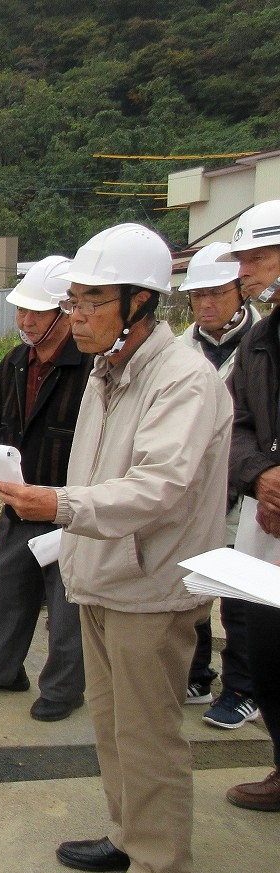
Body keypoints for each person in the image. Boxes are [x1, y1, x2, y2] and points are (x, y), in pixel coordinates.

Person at [0, 223, 232, 873]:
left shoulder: (181, 379)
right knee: (113, 725)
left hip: (151, 586)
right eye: (73, 301)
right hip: (102, 574)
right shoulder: (109, 370)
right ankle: (131, 837)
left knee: (150, 734)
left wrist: (59, 506)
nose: (76, 315)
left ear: (138, 303)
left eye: (90, 301)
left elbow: (160, 488)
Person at [0, 256, 90, 722]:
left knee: (67, 602)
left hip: (71, 504)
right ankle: (3, 669)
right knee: (5, 583)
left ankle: (64, 688)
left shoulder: (91, 368)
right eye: (21, 311)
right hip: (18, 499)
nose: (25, 322)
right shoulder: (14, 363)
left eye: (36, 313)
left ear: (65, 313)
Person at [176, 242, 259, 730]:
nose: (207, 305)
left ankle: (243, 688)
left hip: (246, 490)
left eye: (217, 294)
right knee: (192, 585)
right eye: (198, 296)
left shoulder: (261, 343)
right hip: (193, 487)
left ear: (238, 292)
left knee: (241, 597)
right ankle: (195, 672)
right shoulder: (181, 349)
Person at [220, 198, 280, 812]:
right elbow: (234, 426)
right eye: (244, 259)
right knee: (267, 651)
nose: (247, 271)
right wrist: (260, 474)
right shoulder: (260, 341)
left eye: (260, 257)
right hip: (266, 528)